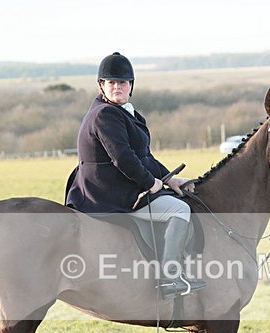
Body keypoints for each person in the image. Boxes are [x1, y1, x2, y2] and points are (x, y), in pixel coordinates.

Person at [65, 52, 205, 300]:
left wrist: (169, 179)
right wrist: (150, 183)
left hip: (115, 183)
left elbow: (144, 157)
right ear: (102, 86)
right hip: (107, 191)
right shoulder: (105, 115)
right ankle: (169, 278)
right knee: (179, 210)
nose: (117, 86)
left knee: (177, 199)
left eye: (122, 82)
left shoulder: (127, 113)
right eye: (111, 83)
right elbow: (124, 158)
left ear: (131, 85)